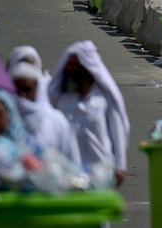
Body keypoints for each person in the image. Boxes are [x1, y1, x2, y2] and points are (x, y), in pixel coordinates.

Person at [49, 40, 129, 188]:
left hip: (101, 172)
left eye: (75, 65)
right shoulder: (62, 99)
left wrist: (120, 165)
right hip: (68, 174)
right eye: (69, 65)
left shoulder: (104, 98)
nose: (71, 69)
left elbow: (117, 131)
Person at [9, 59, 81, 166]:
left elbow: (72, 161)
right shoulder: (6, 120)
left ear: (37, 89)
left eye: (27, 90)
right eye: (17, 90)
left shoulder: (57, 121)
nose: (22, 96)